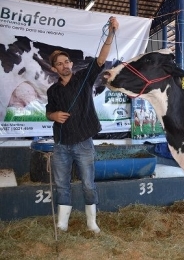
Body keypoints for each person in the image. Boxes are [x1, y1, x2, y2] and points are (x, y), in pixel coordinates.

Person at [46, 16, 119, 233]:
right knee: (62, 185)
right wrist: (54, 115)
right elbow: (48, 111)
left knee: (88, 184)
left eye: (66, 61)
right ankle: (62, 223)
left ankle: (91, 222)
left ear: (70, 63)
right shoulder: (53, 90)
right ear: (54, 69)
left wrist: (111, 33)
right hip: (60, 144)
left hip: (84, 143)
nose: (64, 65)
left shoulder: (83, 78)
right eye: (59, 64)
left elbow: (101, 58)